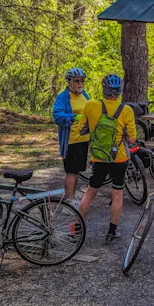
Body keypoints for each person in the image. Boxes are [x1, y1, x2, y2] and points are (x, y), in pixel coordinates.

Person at [77, 74, 136, 243]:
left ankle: (77, 230)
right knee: (117, 194)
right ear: (119, 91)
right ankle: (112, 233)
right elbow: (132, 139)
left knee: (90, 193)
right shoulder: (126, 110)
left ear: (104, 89)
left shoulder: (91, 105)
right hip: (119, 159)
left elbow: (82, 129)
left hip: (99, 157)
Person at [52, 67, 90, 205]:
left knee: (77, 171)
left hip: (84, 138)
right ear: (69, 82)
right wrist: (73, 117)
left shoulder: (84, 95)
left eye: (82, 81)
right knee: (71, 172)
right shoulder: (63, 97)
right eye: (77, 81)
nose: (80, 84)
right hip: (71, 140)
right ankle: (68, 201)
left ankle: (72, 197)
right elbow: (57, 116)